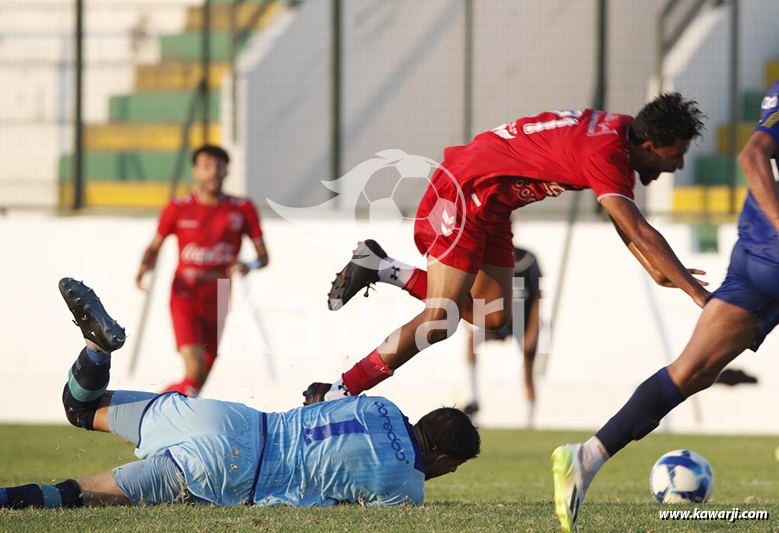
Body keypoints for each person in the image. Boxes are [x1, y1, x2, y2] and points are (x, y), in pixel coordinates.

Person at [303, 93, 709, 405]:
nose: (679, 166)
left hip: (494, 202)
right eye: (678, 155)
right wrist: (697, 292)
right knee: (440, 320)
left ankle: (381, 266)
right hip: (464, 192)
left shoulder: (621, 131)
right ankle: (339, 390)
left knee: (494, 315)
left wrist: (658, 271)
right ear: (652, 145)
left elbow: (627, 223)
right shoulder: (605, 154)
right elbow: (636, 227)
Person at [0, 279, 480, 511]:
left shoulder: (383, 407)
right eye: (449, 469)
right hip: (232, 467)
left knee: (81, 408)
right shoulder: (407, 488)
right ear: (438, 457)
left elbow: (321, 400)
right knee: (78, 494)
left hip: (229, 419)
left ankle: (97, 345)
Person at [550, 80, 779, 532]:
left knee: (691, 372)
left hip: (755, 256)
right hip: (770, 251)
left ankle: (588, 457)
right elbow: (751, 155)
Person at [135, 145, 269, 398]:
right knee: (194, 368)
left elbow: (264, 257)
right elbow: (154, 246)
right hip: (185, 294)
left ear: (226, 171)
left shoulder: (242, 209)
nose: (213, 173)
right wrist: (145, 266)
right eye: (206, 166)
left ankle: (159, 415)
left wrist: (247, 264)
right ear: (195, 172)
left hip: (219, 296)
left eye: (218, 166)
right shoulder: (178, 208)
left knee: (198, 380)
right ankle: (147, 416)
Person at [462, 246, 542, 425]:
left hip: (524, 319)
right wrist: (469, 318)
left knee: (528, 374)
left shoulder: (528, 259)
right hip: (501, 318)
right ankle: (474, 400)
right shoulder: (492, 257)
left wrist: (533, 331)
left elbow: (538, 297)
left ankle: (530, 422)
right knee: (472, 341)